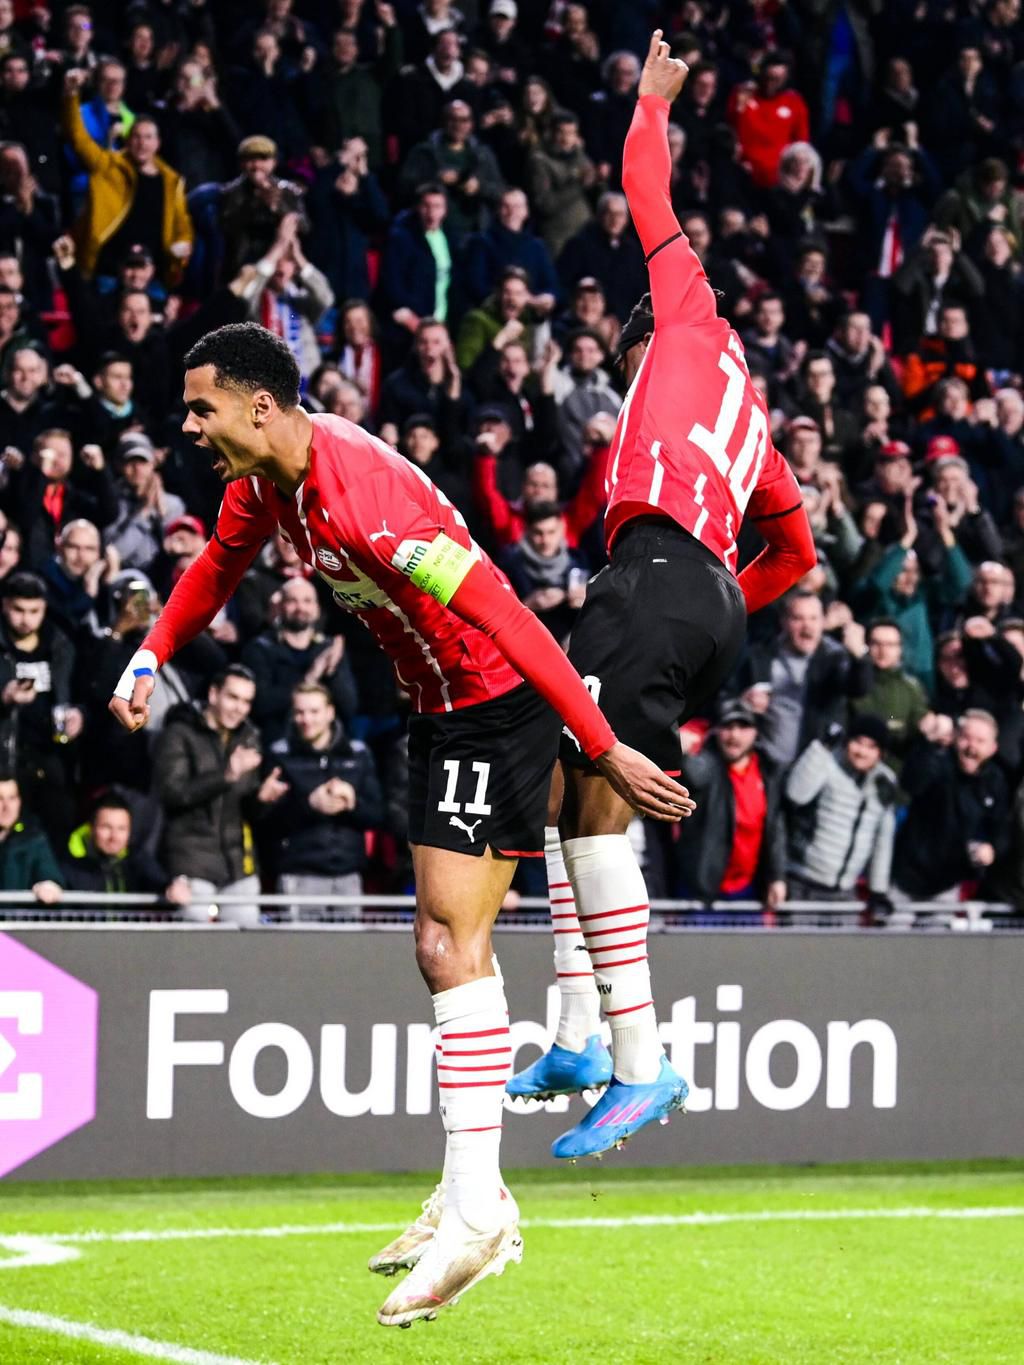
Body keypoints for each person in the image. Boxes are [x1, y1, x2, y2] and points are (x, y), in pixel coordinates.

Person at [107, 321, 684, 1326]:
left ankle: (476, 1208)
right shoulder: (264, 487)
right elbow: (214, 569)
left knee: (444, 942)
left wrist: (598, 744)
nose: (189, 425)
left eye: (202, 407)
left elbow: (508, 615)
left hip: (493, 705)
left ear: (257, 405)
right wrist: (153, 652)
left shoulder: (361, 497)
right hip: (436, 708)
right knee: (446, 948)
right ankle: (473, 1189)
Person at [507, 37, 814, 1159]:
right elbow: (802, 550)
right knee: (561, 777)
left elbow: (646, 187)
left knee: (587, 798)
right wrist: (722, 596)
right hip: (702, 594)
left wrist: (649, 100)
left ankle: (638, 1063)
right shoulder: (755, 425)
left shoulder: (682, 322)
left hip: (658, 576)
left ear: (640, 344)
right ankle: (579, 1036)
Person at [151, 663, 265, 926]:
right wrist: (226, 775)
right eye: (233, 697)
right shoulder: (179, 733)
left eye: (247, 702)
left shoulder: (249, 737)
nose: (240, 708)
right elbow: (172, 793)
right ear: (213, 694)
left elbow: (248, 810)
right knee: (195, 948)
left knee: (246, 948)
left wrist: (263, 798)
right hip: (191, 863)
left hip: (239, 867)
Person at [261, 682, 384, 917]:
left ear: (330, 712)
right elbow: (266, 821)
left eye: (314, 711)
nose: (306, 719)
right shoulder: (280, 754)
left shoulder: (357, 754)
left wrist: (352, 803)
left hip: (348, 875)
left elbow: (377, 815)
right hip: (299, 873)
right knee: (299, 953)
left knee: (349, 953)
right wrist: (309, 805)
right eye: (299, 712)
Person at [673, 699, 787, 910]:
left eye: (743, 727)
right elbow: (694, 774)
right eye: (727, 727)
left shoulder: (768, 772)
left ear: (756, 732)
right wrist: (680, 749)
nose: (734, 735)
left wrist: (776, 877)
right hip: (702, 892)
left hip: (749, 891)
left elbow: (775, 830)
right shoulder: (707, 764)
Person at [784, 715, 898, 909]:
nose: (862, 752)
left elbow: (883, 839)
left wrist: (878, 889)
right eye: (858, 743)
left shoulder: (885, 780)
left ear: (881, 754)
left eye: (871, 747)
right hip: (804, 883)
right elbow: (796, 794)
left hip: (845, 890)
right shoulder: (827, 762)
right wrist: (821, 748)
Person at [240, 575, 357, 744]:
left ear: (317, 609)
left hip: (326, 746)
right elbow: (260, 704)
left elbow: (349, 706)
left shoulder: (329, 649)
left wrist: (331, 672)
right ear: (279, 607)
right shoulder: (259, 648)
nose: (300, 607)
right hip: (276, 744)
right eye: (292, 601)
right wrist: (311, 676)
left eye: (307, 601)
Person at [63, 795, 190, 903]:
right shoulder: (71, 865)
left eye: (121, 829)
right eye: (106, 827)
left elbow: (159, 880)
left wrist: (174, 886)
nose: (114, 836)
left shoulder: (138, 861)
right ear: (91, 828)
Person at [0, 773, 63, 904]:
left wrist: (49, 885)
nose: (7, 807)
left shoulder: (33, 839)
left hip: (17, 922)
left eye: (12, 798)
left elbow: (48, 873)